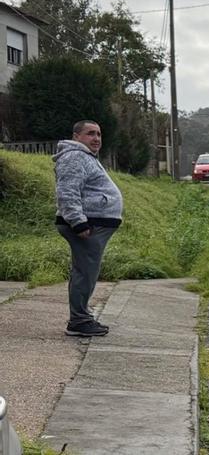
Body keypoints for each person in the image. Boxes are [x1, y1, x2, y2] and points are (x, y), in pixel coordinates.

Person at [54, 120, 123, 337]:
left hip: (93, 224)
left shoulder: (85, 156)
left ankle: (81, 317)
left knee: (86, 272)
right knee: (85, 273)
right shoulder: (74, 156)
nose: (96, 138)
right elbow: (67, 191)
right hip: (87, 226)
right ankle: (79, 321)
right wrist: (78, 222)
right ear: (76, 136)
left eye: (99, 134)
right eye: (90, 133)